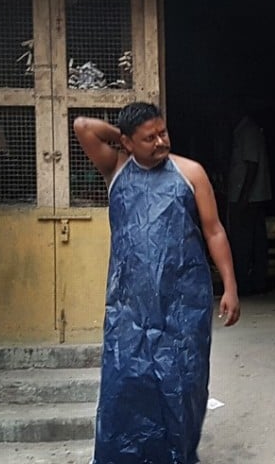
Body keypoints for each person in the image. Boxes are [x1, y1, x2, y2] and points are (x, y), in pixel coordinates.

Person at [73, 102, 240, 464]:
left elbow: (214, 231)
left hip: (184, 302)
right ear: (127, 143)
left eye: (162, 132)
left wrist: (229, 286)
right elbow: (83, 126)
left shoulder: (190, 172)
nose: (161, 141)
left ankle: (177, 456)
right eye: (149, 138)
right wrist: (120, 136)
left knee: (183, 384)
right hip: (129, 305)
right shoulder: (115, 168)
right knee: (126, 383)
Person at [226, 103, 272, 294]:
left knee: (246, 242)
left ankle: (249, 282)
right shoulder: (241, 131)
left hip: (250, 198)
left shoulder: (249, 131)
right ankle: (248, 281)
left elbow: (252, 166)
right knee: (249, 241)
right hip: (245, 196)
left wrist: (244, 197)